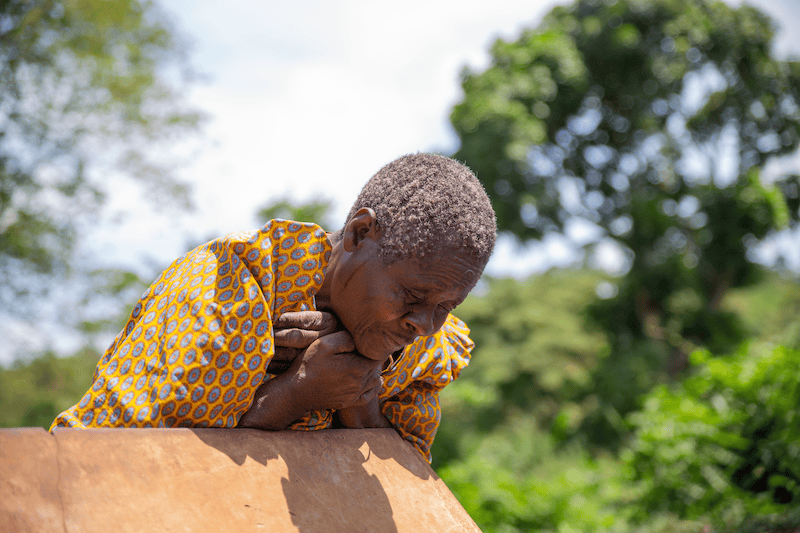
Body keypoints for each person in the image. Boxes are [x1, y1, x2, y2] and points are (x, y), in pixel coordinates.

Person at [51, 153, 497, 462]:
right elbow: (117, 459)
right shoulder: (228, 288)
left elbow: (411, 484)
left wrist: (360, 401)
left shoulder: (424, 353)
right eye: (413, 298)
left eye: (446, 307)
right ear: (360, 235)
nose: (423, 325)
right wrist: (295, 394)